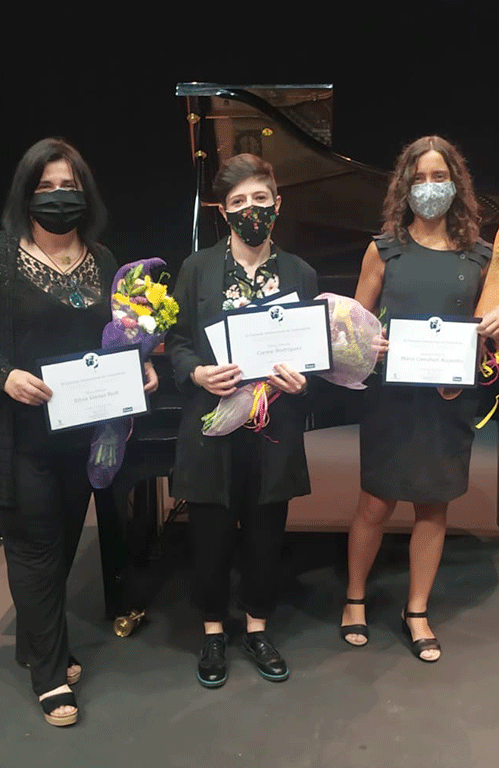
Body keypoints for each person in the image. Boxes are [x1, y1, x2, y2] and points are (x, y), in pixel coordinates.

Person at [0, 137, 157, 725]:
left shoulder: (105, 262)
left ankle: (34, 640)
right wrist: (2, 374)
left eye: (69, 187)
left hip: (83, 437)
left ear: (85, 194)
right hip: (19, 436)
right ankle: (50, 675)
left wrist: (144, 366)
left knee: (59, 545)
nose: (59, 197)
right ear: (26, 194)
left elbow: (123, 333)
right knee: (34, 549)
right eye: (47, 188)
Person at [340, 136, 499, 661]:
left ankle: (416, 609)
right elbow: (351, 327)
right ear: (404, 187)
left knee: (433, 507)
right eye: (419, 179)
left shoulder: (481, 257)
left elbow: (495, 324)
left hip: (447, 398)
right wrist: (369, 342)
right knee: (375, 501)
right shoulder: (384, 249)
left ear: (456, 185)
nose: (429, 188)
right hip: (391, 399)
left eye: (439, 178)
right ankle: (354, 599)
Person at [167, 153, 318, 687]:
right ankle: (212, 632)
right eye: (237, 202)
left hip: (273, 428)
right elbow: (176, 341)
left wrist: (304, 381)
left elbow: (312, 356)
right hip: (211, 422)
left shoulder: (300, 272)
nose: (250, 210)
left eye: (259, 199)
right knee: (207, 534)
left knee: (264, 534)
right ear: (222, 211)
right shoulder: (197, 269)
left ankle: (256, 626)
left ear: (278, 204)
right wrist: (198, 373)